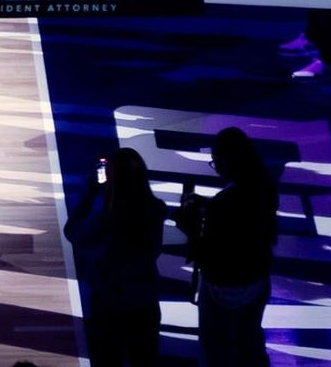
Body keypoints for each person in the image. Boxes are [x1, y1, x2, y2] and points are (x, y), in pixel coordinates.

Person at [176, 127, 277, 367]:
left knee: (215, 351)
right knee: (250, 342)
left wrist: (189, 228)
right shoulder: (266, 188)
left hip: (223, 286)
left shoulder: (223, 203)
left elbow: (209, 255)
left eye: (215, 161)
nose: (216, 167)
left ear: (227, 159)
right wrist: (210, 206)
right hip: (256, 279)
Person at [63, 148, 167, 366]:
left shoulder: (105, 215)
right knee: (145, 358)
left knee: (108, 358)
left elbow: (73, 232)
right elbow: (154, 250)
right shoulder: (156, 209)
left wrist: (90, 194)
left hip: (109, 298)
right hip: (144, 297)